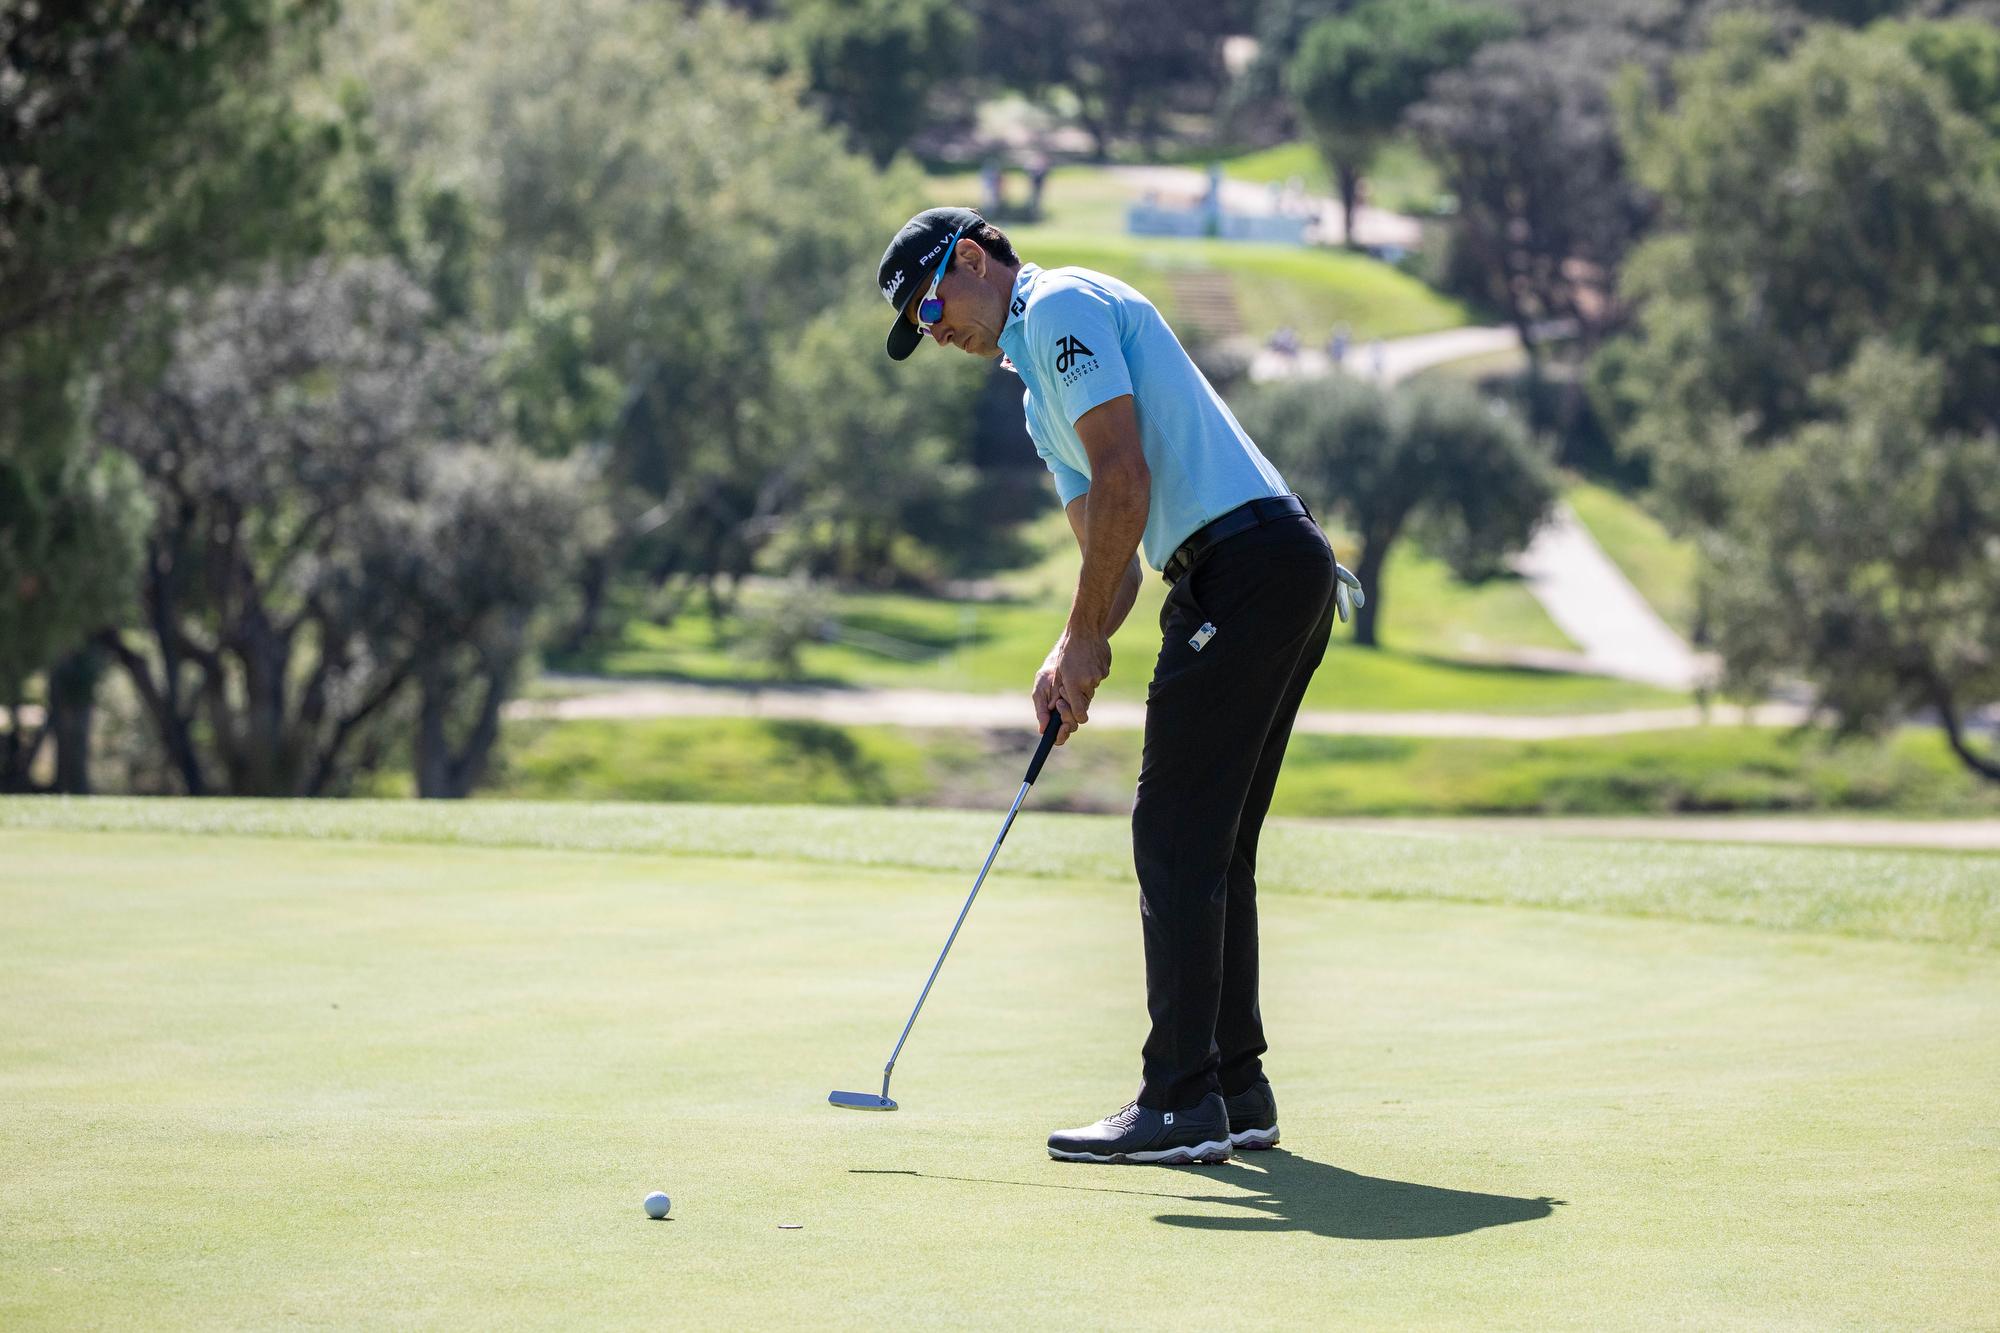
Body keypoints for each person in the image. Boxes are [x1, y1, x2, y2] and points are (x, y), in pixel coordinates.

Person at [873, 207, 1362, 1166]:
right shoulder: (1034, 399)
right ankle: (1234, 1086)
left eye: (932, 305)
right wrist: (1073, 643)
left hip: (1249, 564)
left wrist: (1087, 639)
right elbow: (1119, 556)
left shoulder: (1059, 306)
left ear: (971, 261)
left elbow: (1127, 480)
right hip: (1258, 569)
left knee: (1174, 832)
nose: (938, 334)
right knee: (1211, 841)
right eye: (922, 330)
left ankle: (1179, 1100)